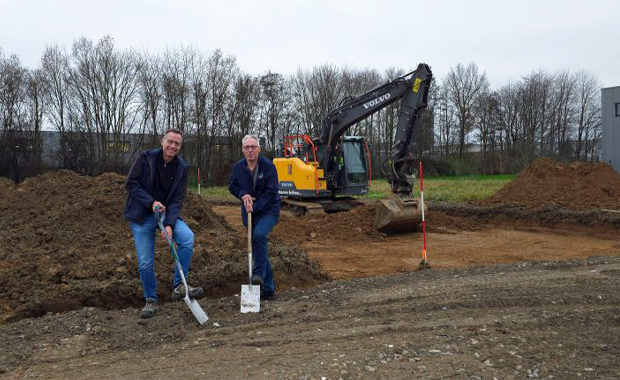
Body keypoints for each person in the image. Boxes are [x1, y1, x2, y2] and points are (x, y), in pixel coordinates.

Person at [124, 128, 204, 319]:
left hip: (166, 214)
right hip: (142, 216)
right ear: (162, 141)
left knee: (187, 237)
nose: (173, 146)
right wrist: (151, 202)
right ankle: (150, 299)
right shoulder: (146, 158)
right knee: (145, 262)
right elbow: (131, 183)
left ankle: (179, 285)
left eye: (177, 144)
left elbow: (177, 200)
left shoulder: (181, 168)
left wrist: (168, 224)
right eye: (170, 142)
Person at [229, 134, 281, 300]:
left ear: (259, 149)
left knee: (259, 236)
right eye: (246, 147)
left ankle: (257, 274)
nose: (250, 150)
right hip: (248, 211)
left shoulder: (268, 167)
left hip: (268, 210)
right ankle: (268, 289)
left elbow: (272, 192)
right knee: (258, 247)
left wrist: (256, 207)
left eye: (253, 147)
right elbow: (232, 186)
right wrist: (243, 194)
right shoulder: (238, 167)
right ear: (243, 150)